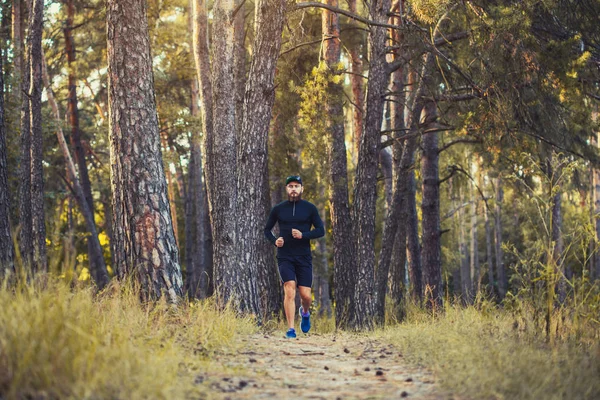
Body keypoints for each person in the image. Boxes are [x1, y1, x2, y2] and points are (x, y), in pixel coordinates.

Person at [264, 175, 325, 338]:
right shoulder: (278, 209)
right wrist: (275, 241)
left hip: (303, 256)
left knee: (305, 295)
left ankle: (305, 313)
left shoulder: (309, 208)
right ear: (286, 189)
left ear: (301, 189)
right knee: (289, 290)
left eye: (296, 186)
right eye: (290, 186)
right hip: (285, 256)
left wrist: (303, 235)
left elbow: (321, 230)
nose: (293, 189)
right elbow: (266, 230)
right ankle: (291, 329)